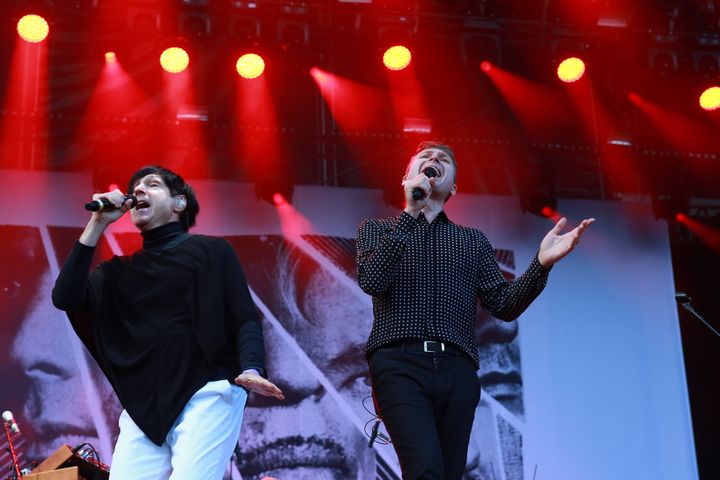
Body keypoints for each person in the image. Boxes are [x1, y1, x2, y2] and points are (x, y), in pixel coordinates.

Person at [356, 141, 594, 479]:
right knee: (424, 468)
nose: (434, 159)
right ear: (406, 178)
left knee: (450, 473)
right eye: (424, 157)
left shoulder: (472, 240)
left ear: (452, 187)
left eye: (444, 159)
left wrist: (541, 264)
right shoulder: (376, 230)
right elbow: (373, 280)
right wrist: (411, 213)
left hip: (457, 369)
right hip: (399, 364)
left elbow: (504, 304)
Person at [51, 166, 284, 480]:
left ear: (179, 203)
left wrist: (252, 367)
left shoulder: (211, 251)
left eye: (153, 184)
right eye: (136, 187)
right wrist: (98, 222)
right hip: (146, 408)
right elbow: (65, 296)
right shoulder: (119, 272)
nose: (140, 190)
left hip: (207, 393)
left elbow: (244, 318)